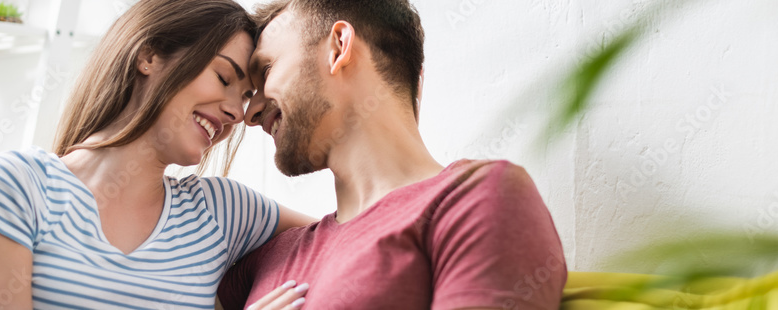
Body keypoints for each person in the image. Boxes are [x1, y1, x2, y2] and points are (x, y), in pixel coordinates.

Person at [0, 0, 313, 308]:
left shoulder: (224, 212)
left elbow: (344, 235)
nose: (236, 112)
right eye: (223, 78)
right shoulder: (12, 187)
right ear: (149, 56)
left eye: (245, 97)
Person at [217, 0, 568, 309]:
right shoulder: (265, 258)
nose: (251, 114)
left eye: (267, 70)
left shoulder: (477, 199)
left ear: (339, 47)